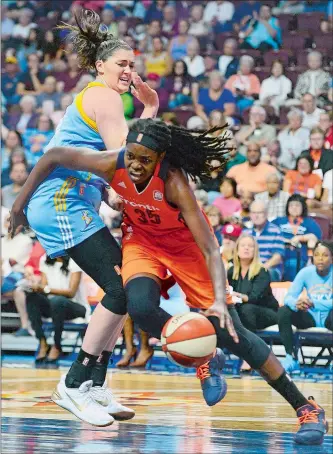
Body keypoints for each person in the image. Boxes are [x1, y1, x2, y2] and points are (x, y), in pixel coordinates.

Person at [11, 118, 328, 445]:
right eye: (131, 156)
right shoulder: (111, 162)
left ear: (160, 157)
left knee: (232, 333)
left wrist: (219, 300)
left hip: (186, 248)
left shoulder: (174, 183)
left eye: (145, 159)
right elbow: (53, 156)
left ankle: (305, 407)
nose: (135, 165)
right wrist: (19, 205)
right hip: (142, 243)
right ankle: (204, 356)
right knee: (139, 306)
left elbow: (209, 247)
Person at [9, 8, 159, 427]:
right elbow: (131, 161)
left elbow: (123, 160)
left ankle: (94, 384)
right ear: (100, 66)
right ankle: (74, 385)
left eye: (133, 64)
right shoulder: (104, 95)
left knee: (124, 288)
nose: (129, 70)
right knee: (118, 285)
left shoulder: (107, 97)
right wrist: (151, 110)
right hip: (59, 202)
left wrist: (149, 108)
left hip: (75, 200)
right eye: (121, 64)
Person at [278, 241, 333, 373]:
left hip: (330, 317)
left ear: (332, 258)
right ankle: (291, 358)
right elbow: (289, 297)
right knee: (284, 311)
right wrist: (296, 303)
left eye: (325, 255)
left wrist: (314, 302)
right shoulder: (305, 272)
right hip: (310, 316)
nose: (320, 258)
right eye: (317, 255)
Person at [26, 255, 90, 365]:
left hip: (76, 307)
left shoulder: (75, 260)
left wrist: (46, 289)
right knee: (32, 297)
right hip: (53, 306)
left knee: (58, 301)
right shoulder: (44, 259)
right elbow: (44, 287)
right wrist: (36, 286)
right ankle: (42, 342)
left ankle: (57, 345)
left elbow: (71, 292)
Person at [228, 234, 278, 332]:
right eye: (243, 246)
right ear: (237, 250)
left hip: (266, 312)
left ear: (255, 251)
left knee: (247, 309)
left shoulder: (262, 271)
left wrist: (238, 296)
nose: (246, 248)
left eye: (250, 246)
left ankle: (250, 344)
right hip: (243, 309)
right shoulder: (231, 271)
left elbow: (254, 297)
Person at [273, 194, 322, 281]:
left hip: (299, 257)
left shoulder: (309, 222)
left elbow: (315, 237)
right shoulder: (278, 221)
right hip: (278, 255)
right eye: (291, 205)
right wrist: (286, 240)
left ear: (303, 207)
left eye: (297, 205)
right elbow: (269, 233)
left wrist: (300, 238)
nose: (294, 208)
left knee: (292, 264)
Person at [245, 201, 285, 282]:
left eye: (259, 212)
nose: (256, 216)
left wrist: (260, 269)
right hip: (249, 268)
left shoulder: (275, 230)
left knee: (263, 274)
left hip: (269, 269)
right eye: (253, 212)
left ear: (266, 214)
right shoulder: (246, 232)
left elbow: (278, 257)